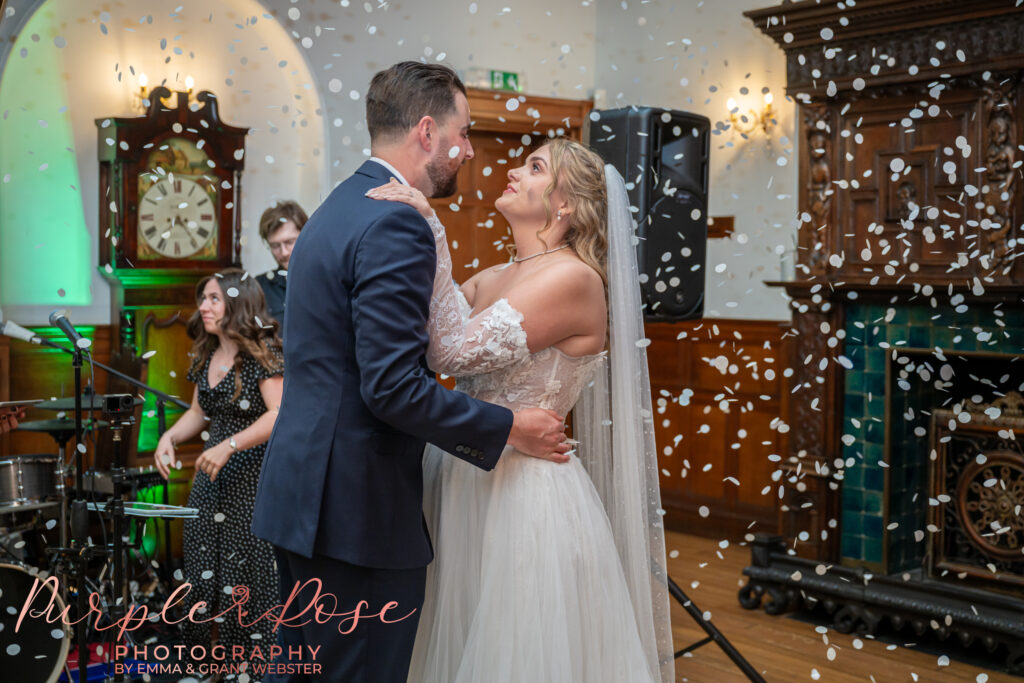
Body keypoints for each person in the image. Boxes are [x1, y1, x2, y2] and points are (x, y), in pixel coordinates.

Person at [250, 61, 569, 683]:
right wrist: (507, 427)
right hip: (355, 511)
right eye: (464, 131)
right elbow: (392, 387)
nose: (471, 150)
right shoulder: (395, 220)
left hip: (301, 493)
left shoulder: (336, 210)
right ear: (428, 132)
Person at [367, 138, 675, 682]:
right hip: (458, 479)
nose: (513, 170)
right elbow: (423, 336)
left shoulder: (575, 279)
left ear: (566, 206)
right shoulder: (491, 276)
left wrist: (434, 229)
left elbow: (451, 352)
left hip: (524, 496)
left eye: (534, 167)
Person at [153, 268, 283, 679]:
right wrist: (168, 438)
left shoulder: (262, 354)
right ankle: (210, 665)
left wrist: (230, 445)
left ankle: (251, 667)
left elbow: (281, 416)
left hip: (253, 479)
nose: (203, 307)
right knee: (204, 569)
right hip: (211, 481)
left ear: (236, 303)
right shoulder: (208, 354)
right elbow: (198, 412)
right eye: (202, 299)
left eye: (213, 299)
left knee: (247, 572)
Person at [254, 200, 308, 326]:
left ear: (306, 235)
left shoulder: (327, 279)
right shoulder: (259, 287)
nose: (283, 252)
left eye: (289, 242)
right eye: (275, 245)